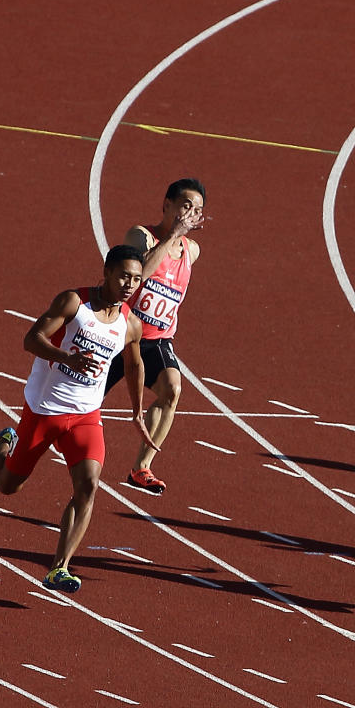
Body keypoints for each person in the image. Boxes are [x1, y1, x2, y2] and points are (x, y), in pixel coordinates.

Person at [0, 245, 158, 592]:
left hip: (86, 415)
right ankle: (2, 443)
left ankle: (58, 568)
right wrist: (66, 358)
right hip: (45, 410)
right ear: (106, 272)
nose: (129, 284)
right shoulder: (74, 304)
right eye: (123, 275)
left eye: (136, 279)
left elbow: (135, 365)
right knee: (7, 486)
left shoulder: (129, 324)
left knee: (88, 485)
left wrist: (136, 412)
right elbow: (31, 340)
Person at [104, 178, 205, 495]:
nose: (190, 214)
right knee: (79, 402)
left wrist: (179, 240)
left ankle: (141, 468)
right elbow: (139, 275)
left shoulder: (193, 251)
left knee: (172, 390)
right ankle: (15, 440)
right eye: (186, 205)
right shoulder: (141, 235)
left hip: (156, 340)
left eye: (198, 210)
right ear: (167, 205)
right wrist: (172, 235)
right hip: (119, 331)